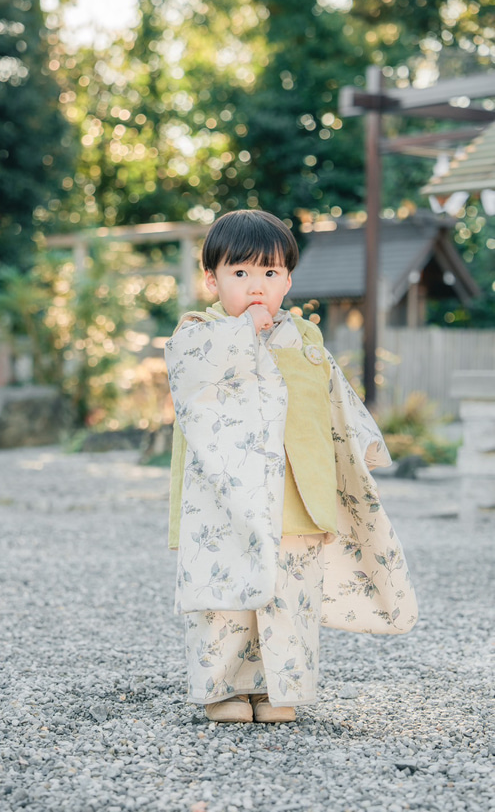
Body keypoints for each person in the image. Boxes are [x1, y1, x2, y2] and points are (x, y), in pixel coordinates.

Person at [165, 209, 418, 724]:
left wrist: (366, 443)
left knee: (291, 597)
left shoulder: (303, 337)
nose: (256, 285)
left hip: (296, 495)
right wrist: (242, 334)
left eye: (270, 273)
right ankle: (222, 688)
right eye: (241, 273)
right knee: (227, 597)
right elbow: (188, 372)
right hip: (225, 497)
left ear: (288, 281)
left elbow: (335, 398)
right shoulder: (200, 332)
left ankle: (281, 687)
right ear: (211, 279)